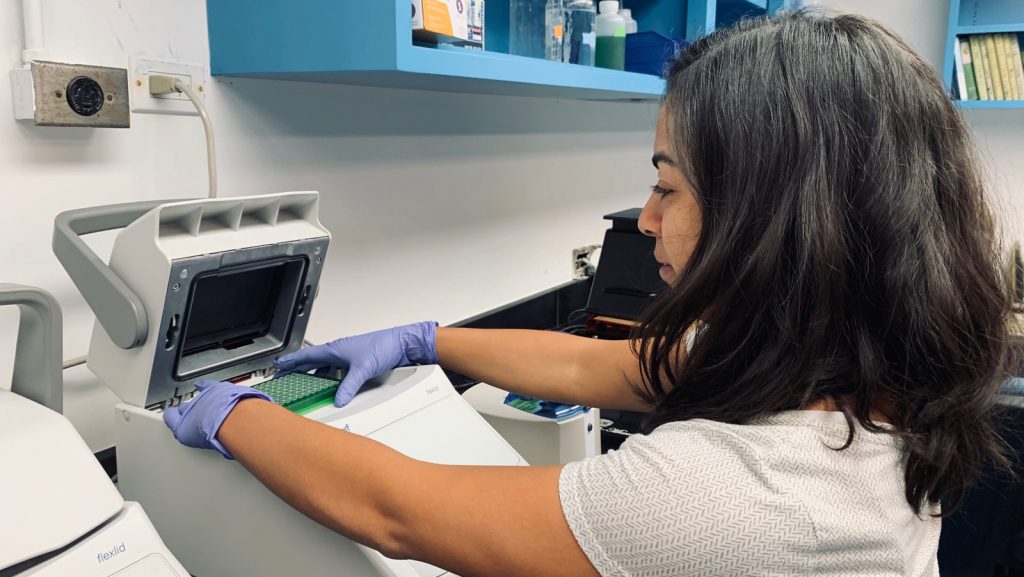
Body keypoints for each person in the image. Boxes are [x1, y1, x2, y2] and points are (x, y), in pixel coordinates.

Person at [162, 10, 1013, 577]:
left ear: (771, 218)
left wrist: (236, 413)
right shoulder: (860, 381)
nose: (645, 220)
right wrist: (425, 340)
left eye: (669, 187)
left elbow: (396, 512)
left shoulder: (743, 496)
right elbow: (615, 366)